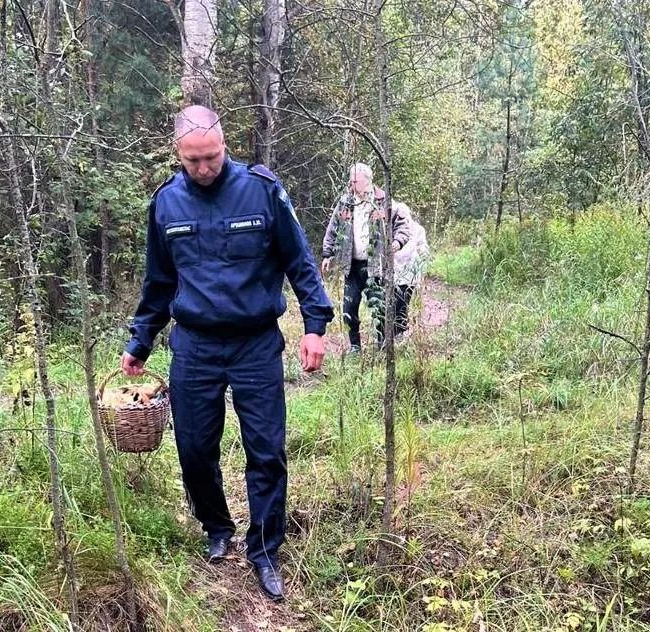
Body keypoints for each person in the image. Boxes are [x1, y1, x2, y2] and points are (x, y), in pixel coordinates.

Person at [120, 105, 334, 602]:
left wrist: (316, 325)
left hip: (255, 342)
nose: (204, 168)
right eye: (193, 160)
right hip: (194, 345)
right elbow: (158, 282)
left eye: (212, 157)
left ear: (224, 144)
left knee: (266, 450)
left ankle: (264, 550)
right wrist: (140, 341)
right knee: (194, 450)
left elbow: (298, 259)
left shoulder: (261, 190)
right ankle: (217, 528)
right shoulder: (166, 204)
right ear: (179, 154)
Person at [320, 163, 411, 352]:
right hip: (351, 266)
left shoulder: (383, 200)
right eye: (351, 181)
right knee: (348, 309)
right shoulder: (345, 202)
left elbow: (403, 225)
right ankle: (355, 346)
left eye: (355, 181)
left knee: (379, 308)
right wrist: (327, 254)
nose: (351, 185)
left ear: (367, 181)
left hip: (375, 266)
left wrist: (398, 241)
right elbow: (333, 229)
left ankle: (382, 346)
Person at [392, 212, 430, 339]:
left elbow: (423, 248)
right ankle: (389, 333)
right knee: (392, 303)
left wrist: (421, 269)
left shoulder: (418, 229)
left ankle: (400, 333)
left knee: (403, 302)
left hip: (409, 274)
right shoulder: (390, 229)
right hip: (393, 272)